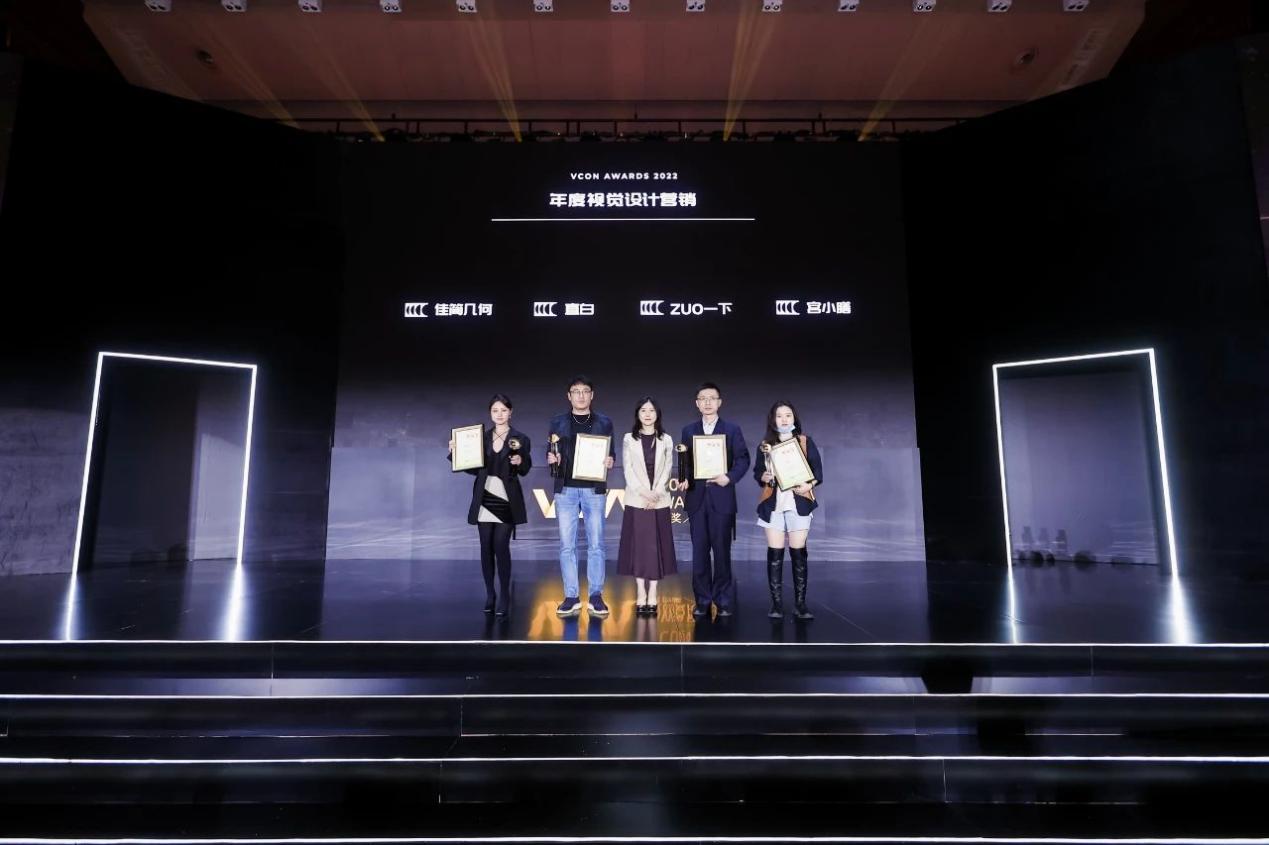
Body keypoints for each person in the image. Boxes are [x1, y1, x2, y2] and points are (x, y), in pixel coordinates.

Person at [448, 394, 532, 616]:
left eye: (504, 410)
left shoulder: (521, 438)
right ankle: (490, 594)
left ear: (510, 412)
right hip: (484, 497)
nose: (499, 414)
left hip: (506, 498)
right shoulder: (480, 438)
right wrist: (456, 451)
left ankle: (504, 595)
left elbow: (525, 468)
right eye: (495, 410)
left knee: (501, 546)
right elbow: (472, 468)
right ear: (490, 413)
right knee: (485, 547)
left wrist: (520, 461)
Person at [546, 375, 616, 618]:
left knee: (596, 545)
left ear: (592, 395)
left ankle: (596, 596)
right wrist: (551, 458)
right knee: (567, 546)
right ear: (569, 396)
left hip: (593, 489)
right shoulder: (557, 422)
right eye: (576, 391)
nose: (581, 395)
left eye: (585, 391)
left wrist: (610, 460)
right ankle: (571, 596)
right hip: (565, 489)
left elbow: (611, 453)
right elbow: (551, 452)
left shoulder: (604, 422)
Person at [680, 382, 750, 618]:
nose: (707, 402)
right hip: (697, 499)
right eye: (703, 398)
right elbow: (685, 463)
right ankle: (702, 600)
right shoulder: (688, 431)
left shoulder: (732, 429)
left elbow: (743, 459)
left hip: (722, 498)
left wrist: (728, 477)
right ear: (697, 403)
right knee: (699, 553)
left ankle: (723, 599)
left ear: (719, 402)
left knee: (721, 552)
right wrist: (685, 478)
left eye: (712, 398)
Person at [753, 401, 823, 621]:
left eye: (788, 415)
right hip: (773, 504)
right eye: (779, 415)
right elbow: (758, 472)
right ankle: (776, 604)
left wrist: (808, 485)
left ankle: (800, 604)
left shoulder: (805, 442)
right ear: (773, 420)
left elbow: (818, 472)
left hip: (798, 502)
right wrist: (763, 476)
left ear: (794, 418)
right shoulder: (765, 445)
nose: (784, 419)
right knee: (775, 554)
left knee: (798, 553)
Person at [617, 396, 678, 616]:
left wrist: (656, 494)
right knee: (639, 549)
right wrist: (644, 493)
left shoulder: (666, 439)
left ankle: (653, 593)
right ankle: (640, 592)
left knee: (656, 548)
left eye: (651, 410)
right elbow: (628, 469)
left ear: (657, 414)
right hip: (637, 500)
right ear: (638, 414)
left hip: (659, 501)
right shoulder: (628, 438)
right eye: (643, 410)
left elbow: (667, 468)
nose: (648, 414)